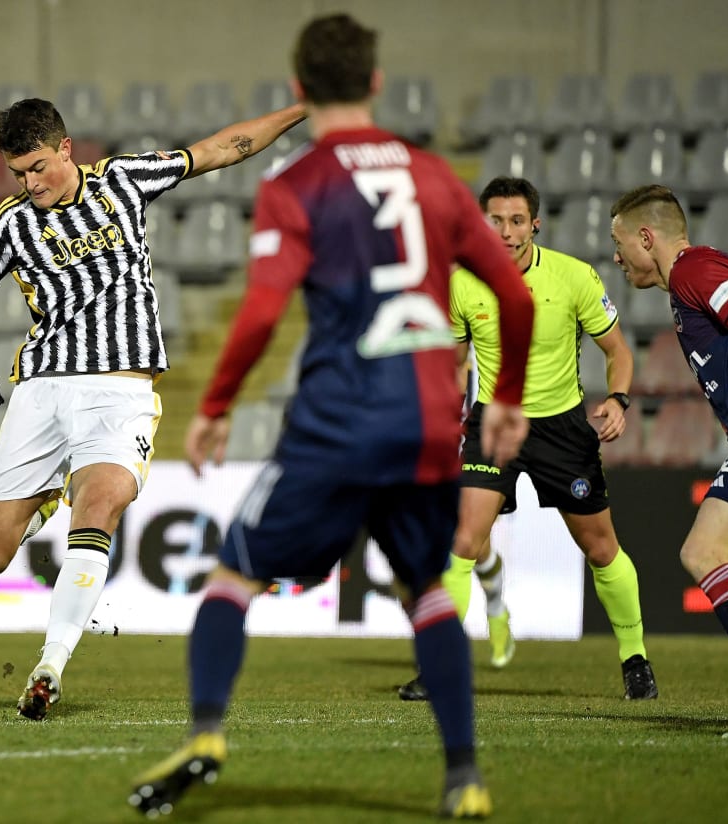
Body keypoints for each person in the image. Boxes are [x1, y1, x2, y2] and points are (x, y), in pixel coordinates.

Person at [127, 14, 534, 821]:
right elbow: (514, 298)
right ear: (378, 84)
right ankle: (465, 780)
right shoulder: (436, 177)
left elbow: (261, 313)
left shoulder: (296, 185)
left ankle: (207, 732)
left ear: (299, 91)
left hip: (336, 424)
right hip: (424, 423)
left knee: (234, 573)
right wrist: (510, 400)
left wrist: (214, 407)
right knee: (428, 592)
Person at [0, 96, 307, 721]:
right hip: (43, 390)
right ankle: (52, 493)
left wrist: (304, 109)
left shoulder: (122, 181)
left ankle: (50, 665)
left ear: (65, 148)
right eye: (17, 174)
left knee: (102, 503)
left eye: (37, 168)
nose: (30, 185)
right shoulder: (8, 224)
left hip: (121, 391)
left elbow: (222, 146)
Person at [398, 177, 659, 702]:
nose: (506, 231)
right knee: (462, 541)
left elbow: (618, 352)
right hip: (493, 423)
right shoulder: (461, 282)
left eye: (517, 221)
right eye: (495, 220)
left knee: (601, 548)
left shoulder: (574, 277)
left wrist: (619, 399)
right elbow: (452, 362)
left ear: (534, 224)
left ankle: (636, 662)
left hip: (563, 429)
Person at [610, 185, 728, 705]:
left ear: (647, 237)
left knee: (704, 550)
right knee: (706, 550)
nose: (616, 256)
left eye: (620, 243)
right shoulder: (690, 281)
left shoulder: (692, 271)